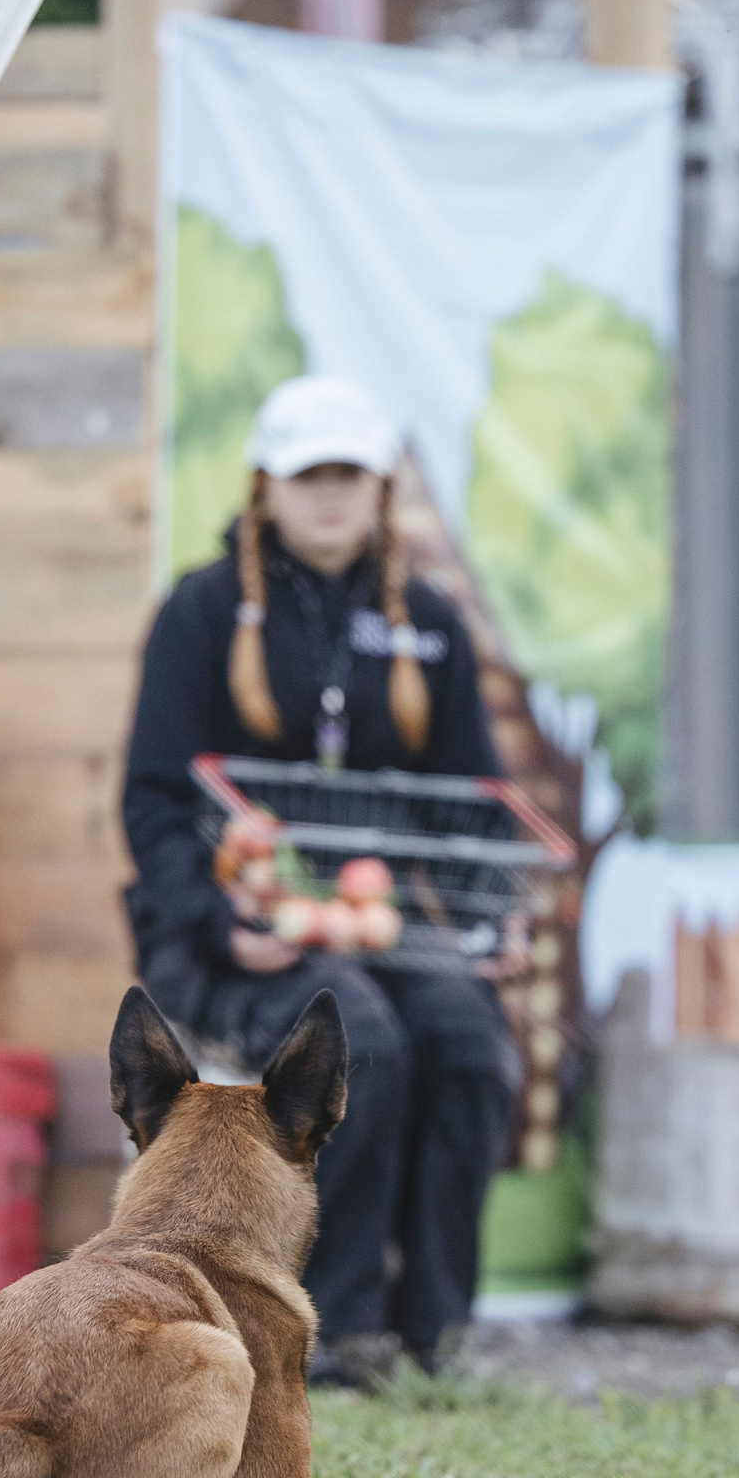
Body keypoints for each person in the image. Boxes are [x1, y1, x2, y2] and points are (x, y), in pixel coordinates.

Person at [121, 375, 522, 1385]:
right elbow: (155, 803)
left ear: (381, 486)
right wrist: (218, 923)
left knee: (470, 1044)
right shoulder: (202, 613)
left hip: (387, 929)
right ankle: (335, 1329)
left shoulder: (428, 621)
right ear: (267, 486)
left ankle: (439, 1332)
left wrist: (491, 919)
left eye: (350, 474)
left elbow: (469, 802)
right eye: (310, 476)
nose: (330, 496)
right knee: (361, 1046)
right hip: (235, 936)